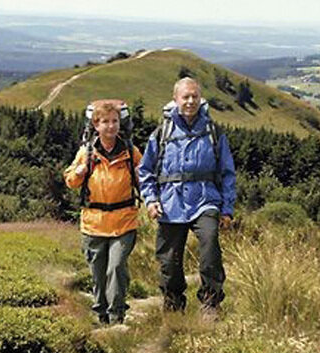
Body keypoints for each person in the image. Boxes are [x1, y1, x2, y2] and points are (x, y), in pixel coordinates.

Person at [138, 77, 235, 318]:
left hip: (206, 201)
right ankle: (173, 304)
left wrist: (227, 209)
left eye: (194, 96)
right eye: (185, 97)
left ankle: (210, 303)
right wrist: (151, 200)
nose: (190, 101)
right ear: (175, 99)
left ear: (200, 99)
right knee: (169, 260)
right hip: (171, 204)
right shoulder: (162, 133)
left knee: (210, 244)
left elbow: (227, 172)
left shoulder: (213, 132)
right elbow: (145, 171)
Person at [64, 101, 142, 325]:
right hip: (93, 223)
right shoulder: (86, 152)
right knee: (97, 272)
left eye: (114, 121)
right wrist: (79, 172)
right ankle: (101, 313)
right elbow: (70, 181)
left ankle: (117, 314)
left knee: (116, 267)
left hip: (124, 220)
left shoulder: (130, 152)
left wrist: (142, 177)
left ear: (120, 124)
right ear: (96, 125)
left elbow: (145, 178)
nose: (110, 126)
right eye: (105, 122)